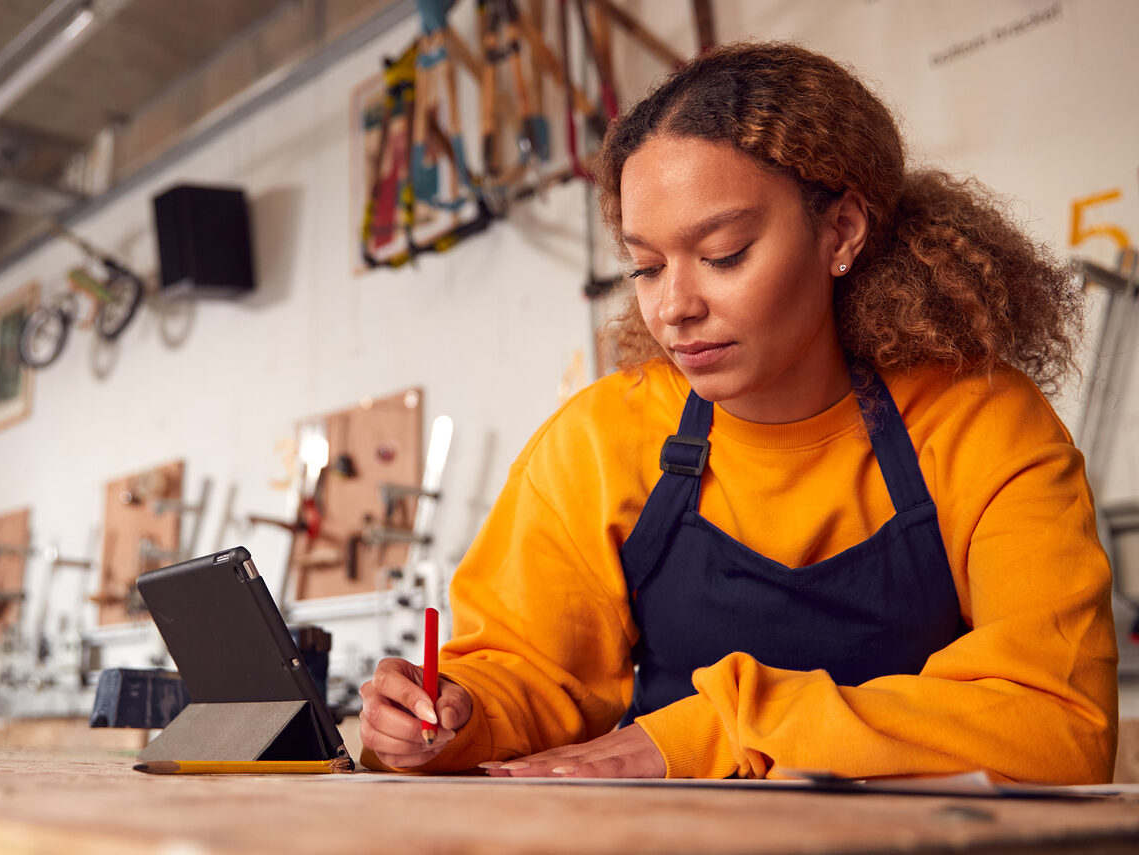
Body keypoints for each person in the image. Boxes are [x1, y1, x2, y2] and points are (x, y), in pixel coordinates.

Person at [358, 41, 1118, 783]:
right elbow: (526, 671)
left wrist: (726, 726)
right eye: (646, 267)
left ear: (841, 232)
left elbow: (1058, 720)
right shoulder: (599, 442)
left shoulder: (979, 422)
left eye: (723, 254)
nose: (674, 308)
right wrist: (454, 715)